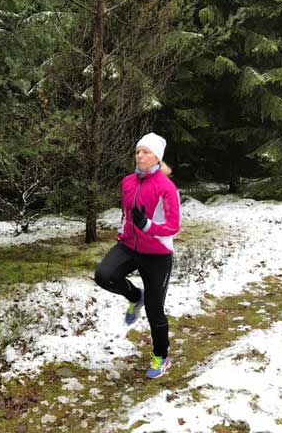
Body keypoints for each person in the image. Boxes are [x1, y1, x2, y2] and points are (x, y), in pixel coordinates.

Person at [94, 132, 181, 379]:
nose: (139, 155)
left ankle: (161, 357)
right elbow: (125, 213)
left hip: (156, 253)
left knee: (155, 310)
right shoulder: (127, 181)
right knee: (104, 275)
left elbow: (174, 226)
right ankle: (135, 296)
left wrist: (147, 226)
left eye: (145, 152)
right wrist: (124, 229)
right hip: (129, 246)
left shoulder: (166, 187)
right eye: (137, 151)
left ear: (156, 158)